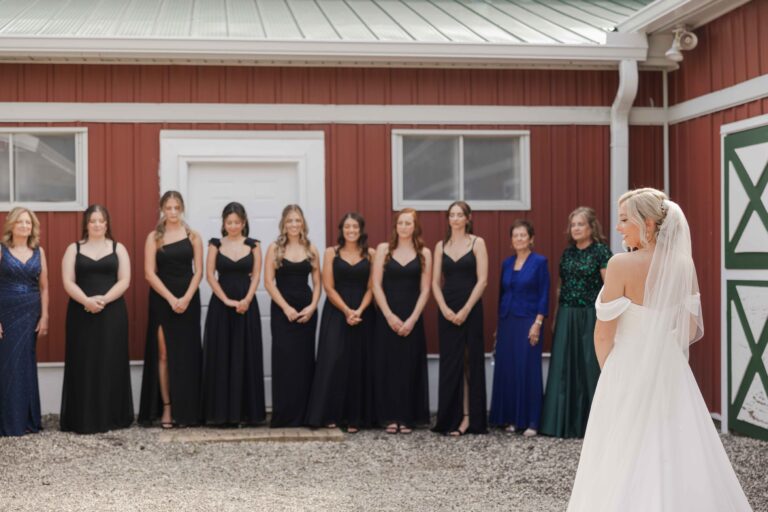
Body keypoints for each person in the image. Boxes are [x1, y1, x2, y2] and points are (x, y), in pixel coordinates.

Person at [568, 188, 752, 511]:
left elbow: (602, 333)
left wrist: (611, 370)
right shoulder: (683, 265)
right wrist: (661, 349)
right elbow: (690, 329)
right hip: (670, 366)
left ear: (649, 223)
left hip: (625, 364)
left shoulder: (620, 264)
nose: (619, 227)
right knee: (674, 440)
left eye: (625, 220)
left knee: (622, 446)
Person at [60, 204, 133, 434]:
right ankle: (83, 418)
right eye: (93, 221)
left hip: (112, 313)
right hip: (81, 313)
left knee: (110, 360)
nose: (98, 224)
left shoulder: (118, 248)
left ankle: (111, 416)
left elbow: (124, 280)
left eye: (102, 220)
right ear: (86, 224)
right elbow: (68, 281)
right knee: (84, 362)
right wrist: (87, 302)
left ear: (107, 223)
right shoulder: (74, 249)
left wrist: (103, 300)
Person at [540, 207, 611, 438]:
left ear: (591, 227)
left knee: (590, 367)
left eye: (580, 224)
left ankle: (597, 427)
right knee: (564, 368)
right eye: (573, 225)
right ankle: (562, 423)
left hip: (591, 314)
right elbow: (562, 286)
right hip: (567, 315)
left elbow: (609, 287)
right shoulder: (567, 253)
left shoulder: (601, 252)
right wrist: (558, 314)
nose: (576, 228)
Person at [305, 212, 375, 432]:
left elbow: (372, 287)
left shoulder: (370, 254)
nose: (351, 231)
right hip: (337, 310)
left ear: (361, 230)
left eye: (355, 227)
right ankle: (330, 414)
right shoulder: (331, 253)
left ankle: (356, 417)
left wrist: (359, 310)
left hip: (363, 310)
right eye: (347, 227)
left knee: (358, 361)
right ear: (341, 230)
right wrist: (346, 310)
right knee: (333, 360)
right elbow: (328, 286)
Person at [139, 191, 203, 428]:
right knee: (164, 354)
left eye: (177, 207)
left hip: (188, 300)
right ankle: (167, 408)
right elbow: (149, 273)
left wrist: (185, 298)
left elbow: (199, 271)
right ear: (162, 209)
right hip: (162, 301)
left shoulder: (193, 236)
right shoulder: (154, 237)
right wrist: (170, 298)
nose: (173, 212)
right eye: (169, 207)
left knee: (187, 354)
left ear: (182, 208)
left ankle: (187, 409)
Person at [202, 202, 265, 426]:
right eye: (229, 222)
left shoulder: (254, 245)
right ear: (223, 223)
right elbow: (209, 276)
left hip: (246, 304)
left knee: (244, 354)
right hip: (222, 304)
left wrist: (247, 299)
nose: (233, 226)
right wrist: (227, 300)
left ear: (244, 223)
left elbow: (257, 275)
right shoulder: (215, 245)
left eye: (237, 222)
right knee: (222, 354)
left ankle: (246, 414)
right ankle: (221, 414)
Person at [431, 201, 488, 436]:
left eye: (459, 215)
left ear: (468, 218)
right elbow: (435, 282)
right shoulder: (440, 245)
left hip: (470, 307)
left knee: (469, 362)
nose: (455, 219)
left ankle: (469, 418)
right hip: (447, 307)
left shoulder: (477, 243)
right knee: (450, 363)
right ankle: (450, 418)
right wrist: (444, 308)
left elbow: (482, 280)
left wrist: (465, 309)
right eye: (451, 215)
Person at [372, 208, 431, 434]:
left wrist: (413, 319)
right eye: (401, 223)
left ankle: (407, 417)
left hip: (411, 316)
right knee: (388, 365)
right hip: (388, 316)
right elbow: (376, 284)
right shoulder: (384, 250)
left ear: (415, 226)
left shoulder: (424, 253)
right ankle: (389, 417)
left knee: (408, 365)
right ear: (395, 226)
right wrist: (388, 315)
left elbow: (425, 289)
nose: (404, 227)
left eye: (409, 223)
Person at [489, 219, 550, 436]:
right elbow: (502, 294)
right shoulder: (507, 263)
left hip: (529, 321)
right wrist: (498, 327)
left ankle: (532, 421)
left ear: (531, 238)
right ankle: (513, 419)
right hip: (507, 322)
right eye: (515, 236)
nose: (519, 239)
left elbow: (544, 293)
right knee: (509, 369)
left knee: (527, 369)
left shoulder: (540, 262)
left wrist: (538, 323)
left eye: (523, 235)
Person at [264, 204, 321, 428]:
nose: (294, 225)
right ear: (284, 224)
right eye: (290, 221)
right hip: (282, 310)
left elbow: (318, 283)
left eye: (297, 221)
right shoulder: (275, 248)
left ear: (303, 223)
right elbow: (268, 282)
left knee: (304, 360)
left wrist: (313, 306)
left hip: (306, 310)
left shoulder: (311, 249)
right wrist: (286, 308)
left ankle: (305, 415)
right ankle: (284, 415)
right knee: (284, 360)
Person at [0, 207, 48, 436]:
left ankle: (27, 420)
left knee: (26, 364)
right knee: (8, 365)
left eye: (28, 223)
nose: (24, 226)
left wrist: (45, 315)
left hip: (31, 314)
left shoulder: (39, 252)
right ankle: (8, 422)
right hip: (7, 313)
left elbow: (44, 287)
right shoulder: (2, 250)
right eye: (20, 222)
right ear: (11, 225)